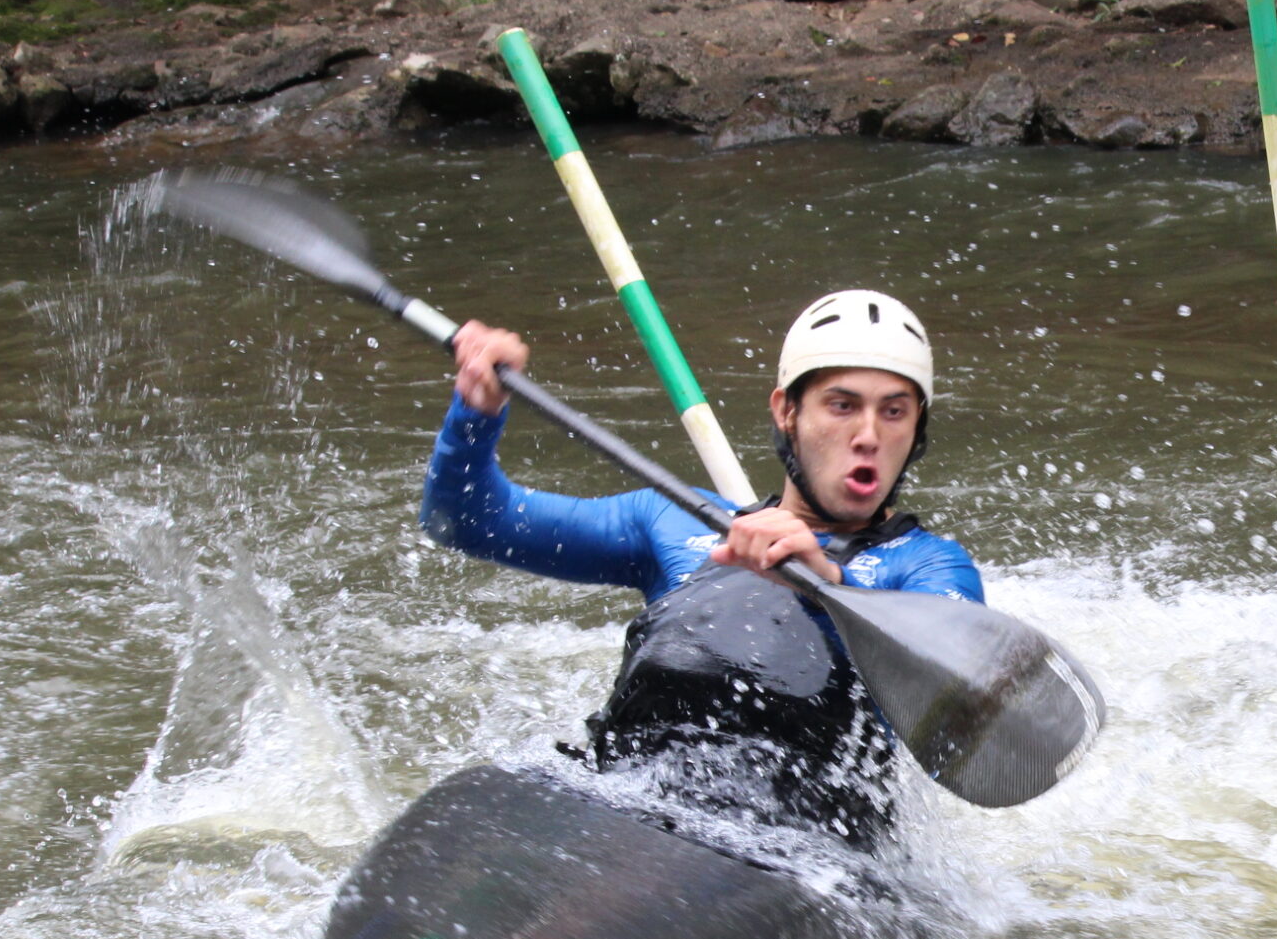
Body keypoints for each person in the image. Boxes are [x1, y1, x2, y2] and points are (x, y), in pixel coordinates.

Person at [420, 291, 980, 844]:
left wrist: (827, 587)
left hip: (815, 864)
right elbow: (465, 519)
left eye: (894, 411)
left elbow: (960, 729)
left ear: (917, 428)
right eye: (842, 405)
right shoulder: (672, 523)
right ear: (787, 411)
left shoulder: (927, 568)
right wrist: (475, 412)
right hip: (628, 810)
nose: (868, 436)